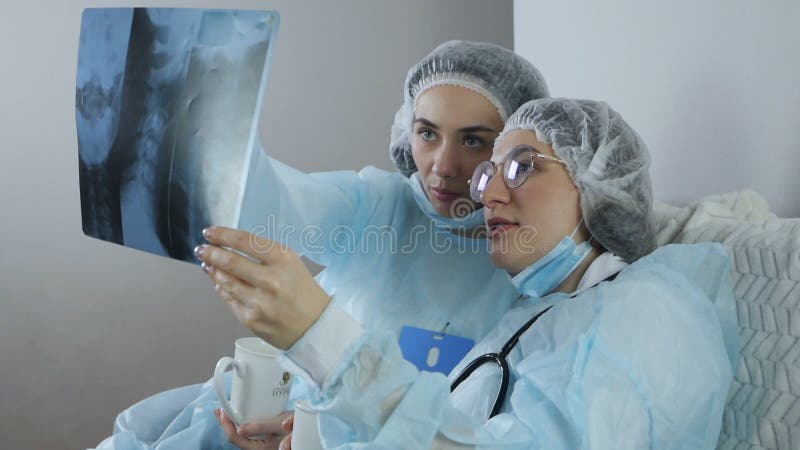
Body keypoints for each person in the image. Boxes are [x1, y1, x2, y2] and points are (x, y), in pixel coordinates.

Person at [203, 97, 739, 449]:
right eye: (489, 176)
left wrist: (324, 339)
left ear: (596, 182)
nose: (489, 195)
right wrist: (321, 438)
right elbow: (454, 435)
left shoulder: (651, 316)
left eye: (521, 166)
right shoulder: (537, 320)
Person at [91, 41, 549, 450]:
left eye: (473, 140)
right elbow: (281, 204)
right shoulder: (380, 208)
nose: (442, 166)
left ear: (516, 154)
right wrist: (206, 125)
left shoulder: (530, 265)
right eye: (427, 133)